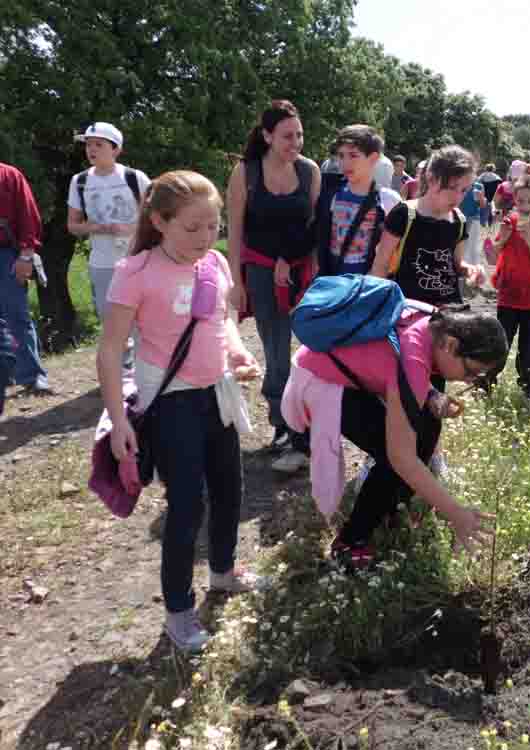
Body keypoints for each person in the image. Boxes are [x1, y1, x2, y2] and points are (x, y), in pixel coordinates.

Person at [98, 170, 263, 652]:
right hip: (168, 402)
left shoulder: (213, 262)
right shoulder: (136, 273)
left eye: (213, 226)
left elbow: (222, 320)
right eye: (192, 227)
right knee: (187, 503)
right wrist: (119, 421)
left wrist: (237, 352)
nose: (204, 237)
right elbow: (109, 351)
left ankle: (224, 571)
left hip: (218, 393)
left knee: (231, 487)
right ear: (160, 221)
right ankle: (178, 611)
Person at [284, 305, 508, 567]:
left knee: (426, 426)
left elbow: (391, 358)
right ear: (450, 344)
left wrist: (433, 395)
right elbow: (402, 457)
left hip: (335, 366)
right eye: (471, 371)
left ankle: (391, 507)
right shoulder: (414, 361)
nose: (469, 380)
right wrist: (455, 513)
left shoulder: (434, 321)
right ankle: (352, 540)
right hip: (321, 379)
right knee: (395, 459)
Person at [225, 100, 320, 473]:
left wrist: (308, 266)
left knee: (313, 349)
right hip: (262, 273)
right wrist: (236, 281)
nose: (295, 142)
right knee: (277, 350)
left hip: (304, 272)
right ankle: (283, 426)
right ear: (266, 136)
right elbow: (234, 231)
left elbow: (316, 225)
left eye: (299, 134)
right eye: (286, 136)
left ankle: (311, 420)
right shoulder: (245, 173)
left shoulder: (309, 170)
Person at [68, 124, 151, 383]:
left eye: (98, 144)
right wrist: (95, 227)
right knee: (111, 319)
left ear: (116, 149)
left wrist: (128, 228)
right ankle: (123, 374)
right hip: (101, 261)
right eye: (88, 144)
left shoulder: (134, 178)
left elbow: (159, 217)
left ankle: (146, 370)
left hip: (136, 257)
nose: (91, 149)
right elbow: (72, 225)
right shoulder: (80, 181)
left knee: (143, 317)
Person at [371, 145, 485, 308]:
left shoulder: (459, 220)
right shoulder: (404, 214)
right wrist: (378, 307)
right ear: (431, 178)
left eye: (464, 190)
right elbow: (380, 264)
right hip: (408, 309)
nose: (458, 197)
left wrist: (471, 270)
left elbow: (457, 264)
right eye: (452, 187)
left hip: (448, 312)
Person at [490, 175, 530, 399]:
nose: (525, 207)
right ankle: (487, 380)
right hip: (508, 293)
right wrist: (501, 239)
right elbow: (492, 257)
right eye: (521, 202)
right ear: (514, 201)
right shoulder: (509, 222)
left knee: (529, 344)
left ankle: (527, 384)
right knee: (501, 340)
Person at [315, 125, 401, 278]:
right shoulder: (330, 194)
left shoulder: (388, 201)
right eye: (341, 156)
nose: (345, 162)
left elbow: (396, 250)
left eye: (353, 155)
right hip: (331, 283)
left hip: (367, 287)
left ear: (373, 158)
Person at [1, 161, 48, 395]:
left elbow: (28, 216)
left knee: (16, 316)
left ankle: (32, 376)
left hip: (6, 255)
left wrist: (27, 254)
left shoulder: (9, 175)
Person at [458, 175, 486, 270]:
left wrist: (481, 198)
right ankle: (461, 268)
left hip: (474, 218)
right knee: (460, 245)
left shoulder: (479, 186)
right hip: (460, 218)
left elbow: (482, 206)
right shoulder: (459, 183)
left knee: (473, 246)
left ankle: (473, 270)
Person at [478, 163, 502, 228]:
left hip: (484, 195)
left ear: (486, 169)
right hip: (493, 195)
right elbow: (500, 185)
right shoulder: (497, 177)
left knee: (483, 209)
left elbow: (477, 183)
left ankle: (482, 224)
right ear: (493, 169)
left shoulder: (482, 176)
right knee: (492, 209)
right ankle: (490, 224)